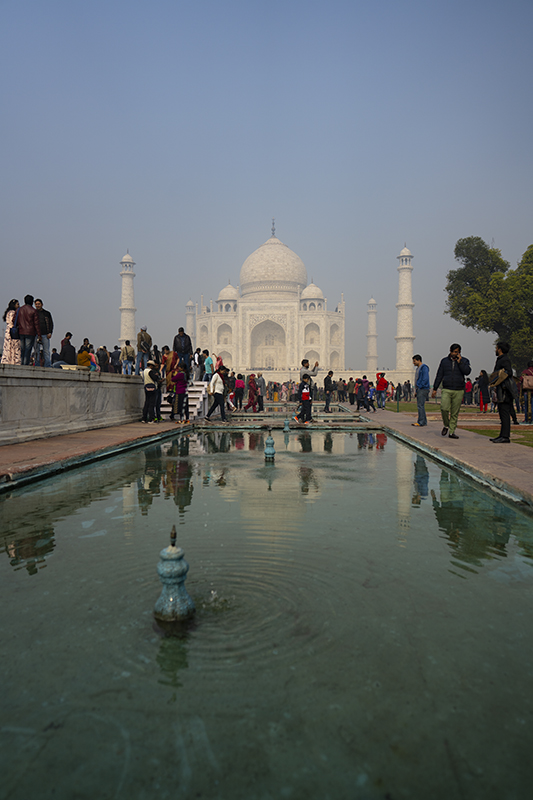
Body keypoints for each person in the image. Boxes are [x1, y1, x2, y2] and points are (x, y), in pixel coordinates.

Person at [432, 343, 471, 439]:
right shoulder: (444, 361)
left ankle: (452, 432)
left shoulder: (464, 361)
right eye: (453, 352)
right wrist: (435, 388)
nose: (454, 354)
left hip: (458, 389)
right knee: (444, 408)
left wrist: (460, 362)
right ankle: (446, 425)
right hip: (447, 388)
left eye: (456, 352)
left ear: (459, 352)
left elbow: (467, 372)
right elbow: (439, 375)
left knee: (454, 412)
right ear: (450, 351)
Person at [488, 342, 514, 443]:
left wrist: (499, 379)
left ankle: (505, 437)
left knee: (504, 413)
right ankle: (502, 435)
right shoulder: (501, 359)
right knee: (502, 413)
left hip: (505, 391)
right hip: (501, 390)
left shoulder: (505, 359)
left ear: (500, 349)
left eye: (496, 348)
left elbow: (508, 372)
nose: (495, 350)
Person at [18, 295, 41, 366]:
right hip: (30, 332)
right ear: (32, 302)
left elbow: (14, 320)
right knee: (28, 349)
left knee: (22, 348)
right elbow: (36, 324)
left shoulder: (19, 309)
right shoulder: (33, 311)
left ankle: (22, 363)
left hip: (21, 331)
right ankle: (25, 363)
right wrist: (39, 334)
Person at [33, 299, 53, 368]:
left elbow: (51, 324)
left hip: (45, 334)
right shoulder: (33, 313)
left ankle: (47, 365)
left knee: (46, 351)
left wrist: (50, 332)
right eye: (36, 304)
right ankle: (37, 364)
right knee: (36, 351)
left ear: (42, 304)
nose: (37, 305)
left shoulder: (47, 313)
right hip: (36, 335)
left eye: (39, 304)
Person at [1, 299, 21, 365]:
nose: (19, 306)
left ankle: (7, 360)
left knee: (8, 347)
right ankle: (14, 361)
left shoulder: (8, 312)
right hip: (13, 331)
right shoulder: (13, 312)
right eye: (17, 304)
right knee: (14, 347)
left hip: (8, 331)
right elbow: (13, 322)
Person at [412, 354, 430, 427]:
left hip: (423, 388)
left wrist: (420, 386)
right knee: (420, 405)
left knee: (420, 406)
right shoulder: (418, 368)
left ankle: (421, 422)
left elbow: (425, 379)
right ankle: (423, 421)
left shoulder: (424, 368)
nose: (413, 363)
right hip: (419, 389)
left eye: (414, 361)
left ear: (419, 360)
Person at [519, 360, 533, 424]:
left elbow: (520, 380)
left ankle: (527, 419)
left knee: (526, 406)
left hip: (526, 392)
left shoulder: (525, 372)